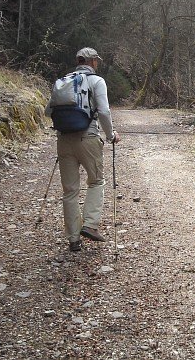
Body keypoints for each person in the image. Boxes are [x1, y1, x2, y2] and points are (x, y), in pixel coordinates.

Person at [45, 47, 121, 252]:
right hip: (88, 137)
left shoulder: (63, 82)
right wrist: (111, 135)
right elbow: (104, 111)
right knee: (96, 181)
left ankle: (73, 238)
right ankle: (90, 224)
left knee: (70, 190)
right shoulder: (97, 81)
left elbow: (48, 111)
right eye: (97, 61)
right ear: (93, 62)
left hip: (64, 139)